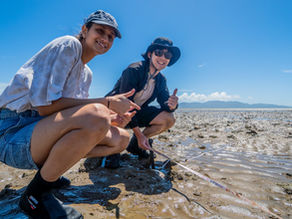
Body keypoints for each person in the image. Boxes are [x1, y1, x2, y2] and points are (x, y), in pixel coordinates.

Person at [0, 10, 140, 218]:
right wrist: (107, 103)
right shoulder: (68, 45)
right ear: (84, 30)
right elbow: (46, 107)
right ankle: (34, 197)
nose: (105, 39)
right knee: (98, 115)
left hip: (39, 132)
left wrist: (115, 120)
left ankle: (50, 173)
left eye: (110, 36)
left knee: (121, 139)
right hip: (11, 133)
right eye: (100, 31)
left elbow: (75, 117)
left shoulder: (86, 74)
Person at [103, 37, 181, 169]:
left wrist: (172, 105)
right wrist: (138, 133)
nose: (163, 57)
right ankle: (111, 146)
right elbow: (125, 104)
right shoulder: (134, 70)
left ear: (169, 60)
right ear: (150, 54)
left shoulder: (161, 80)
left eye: (167, 55)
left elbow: (165, 104)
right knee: (112, 166)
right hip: (115, 111)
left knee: (169, 118)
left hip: (136, 112)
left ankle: (135, 145)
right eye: (158, 52)